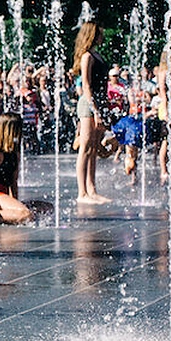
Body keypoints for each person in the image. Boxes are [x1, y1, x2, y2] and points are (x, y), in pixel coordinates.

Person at [73, 21, 110, 204]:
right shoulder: (87, 56)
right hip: (88, 104)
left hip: (98, 104)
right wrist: (95, 110)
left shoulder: (97, 55)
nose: (102, 36)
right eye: (99, 33)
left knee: (93, 148)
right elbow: (86, 85)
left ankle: (92, 189)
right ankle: (82, 193)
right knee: (85, 147)